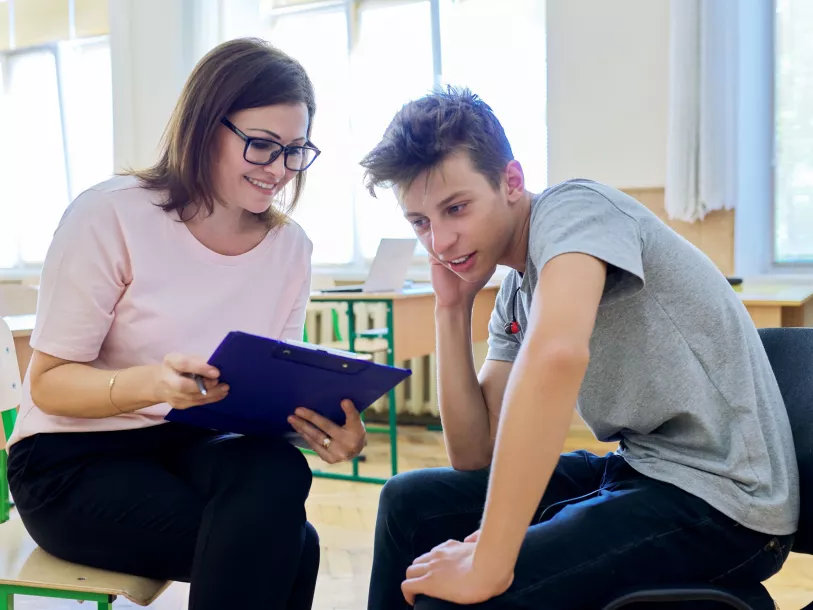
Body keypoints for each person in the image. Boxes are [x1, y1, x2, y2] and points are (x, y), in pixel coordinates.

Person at [358, 87, 799, 609]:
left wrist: (491, 563)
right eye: (421, 223)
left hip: (726, 503)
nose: (441, 241)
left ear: (511, 182)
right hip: (641, 470)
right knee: (409, 503)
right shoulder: (518, 290)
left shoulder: (575, 209)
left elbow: (557, 355)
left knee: (458, 600)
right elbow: (473, 452)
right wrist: (451, 310)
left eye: (456, 208)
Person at [6, 38, 367, 610]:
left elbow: (267, 401)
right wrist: (152, 383)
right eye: (261, 146)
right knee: (292, 545)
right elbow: (48, 384)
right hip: (70, 463)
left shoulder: (288, 247)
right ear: (203, 128)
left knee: (277, 466)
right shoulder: (111, 215)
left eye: (295, 150)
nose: (279, 169)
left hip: (189, 449)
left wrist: (321, 428)